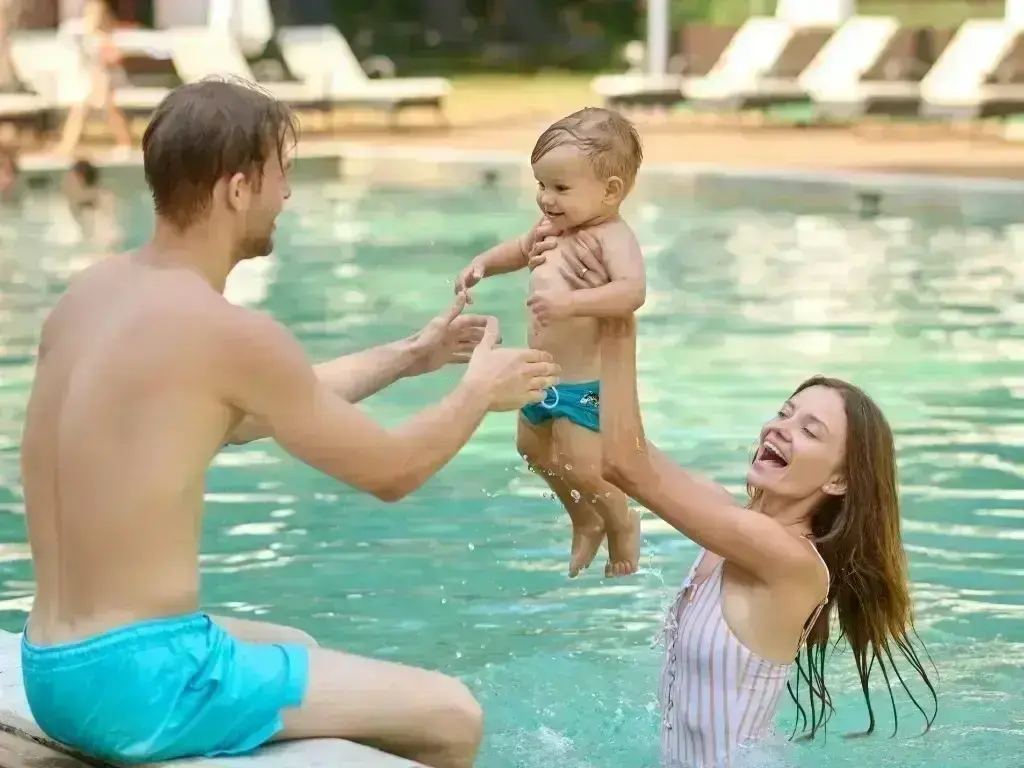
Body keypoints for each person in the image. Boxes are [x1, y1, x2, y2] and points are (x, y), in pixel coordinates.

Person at [19, 77, 560, 768]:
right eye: (282, 176)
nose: (288, 197)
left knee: (296, 646)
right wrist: (479, 391)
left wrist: (409, 357)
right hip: (144, 684)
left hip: (55, 668)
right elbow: (392, 471)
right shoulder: (228, 331)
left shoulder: (89, 296)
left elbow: (245, 415)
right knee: (452, 713)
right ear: (237, 189)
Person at [537, 240, 939, 766]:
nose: (779, 427)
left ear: (840, 481)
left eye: (809, 430)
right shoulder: (724, 519)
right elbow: (612, 452)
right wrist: (574, 343)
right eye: (785, 412)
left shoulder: (790, 562)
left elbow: (626, 464)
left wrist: (620, 318)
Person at [453, 107, 645, 579]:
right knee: (533, 450)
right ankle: (584, 520)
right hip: (540, 376)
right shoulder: (551, 230)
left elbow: (632, 291)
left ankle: (622, 522)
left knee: (582, 465)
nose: (546, 199)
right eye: (541, 185)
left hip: (583, 384)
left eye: (561, 189)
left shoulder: (612, 237)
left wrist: (571, 305)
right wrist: (482, 263)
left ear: (611, 191)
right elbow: (517, 251)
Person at [55, 0, 133, 156]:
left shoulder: (104, 37)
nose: (93, 17)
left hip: (106, 81)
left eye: (96, 14)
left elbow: (114, 60)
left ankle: (125, 143)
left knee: (109, 110)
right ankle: (67, 145)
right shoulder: (83, 35)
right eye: (90, 14)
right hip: (90, 81)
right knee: (79, 110)